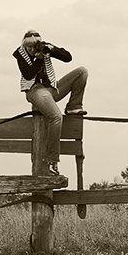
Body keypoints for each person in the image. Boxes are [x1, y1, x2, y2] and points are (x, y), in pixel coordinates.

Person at [13, 30, 88, 176]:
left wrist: (52, 49)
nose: (31, 49)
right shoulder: (19, 54)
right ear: (24, 45)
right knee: (56, 117)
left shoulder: (44, 48)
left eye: (33, 46)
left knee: (82, 72)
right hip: (35, 91)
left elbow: (68, 58)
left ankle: (73, 107)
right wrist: (40, 58)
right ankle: (51, 161)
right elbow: (28, 73)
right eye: (28, 47)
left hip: (52, 88)